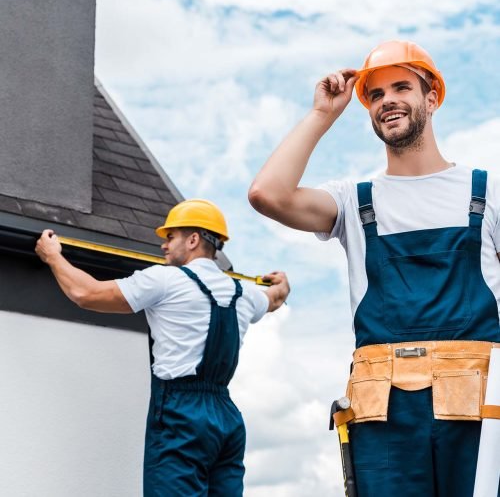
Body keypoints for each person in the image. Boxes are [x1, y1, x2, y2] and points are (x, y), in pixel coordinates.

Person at [248, 40, 500, 496]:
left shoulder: (487, 193)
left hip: (479, 408)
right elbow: (268, 194)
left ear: (432, 97)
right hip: (384, 413)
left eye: (401, 86)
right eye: (376, 94)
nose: (388, 101)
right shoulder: (353, 200)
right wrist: (324, 114)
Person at [35, 198, 290, 497]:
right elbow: (274, 298)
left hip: (180, 416)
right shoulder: (244, 293)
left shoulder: (164, 280)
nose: (163, 246)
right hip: (227, 420)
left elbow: (86, 293)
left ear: (193, 239)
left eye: (171, 237)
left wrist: (52, 256)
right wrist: (283, 284)